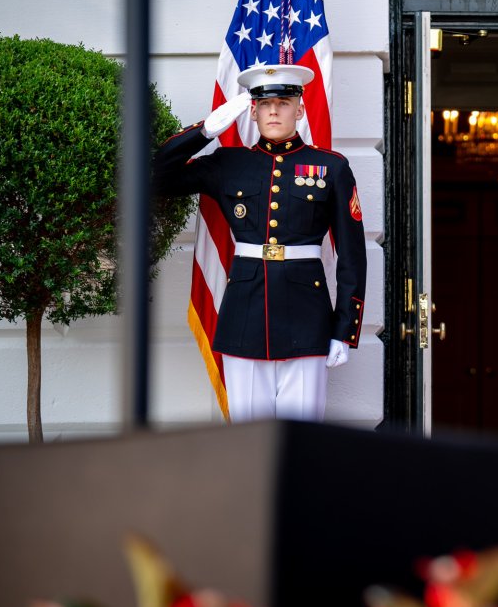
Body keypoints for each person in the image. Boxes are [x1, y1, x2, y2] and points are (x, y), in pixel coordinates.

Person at [154, 63, 366, 423]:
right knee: (249, 443)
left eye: (283, 103)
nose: (273, 111)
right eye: (265, 105)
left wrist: (344, 330)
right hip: (245, 316)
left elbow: (352, 255)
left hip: (307, 318)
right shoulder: (228, 164)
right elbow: (155, 176)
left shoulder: (330, 167)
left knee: (302, 444)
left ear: (299, 109)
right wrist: (204, 131)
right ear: (252, 111)